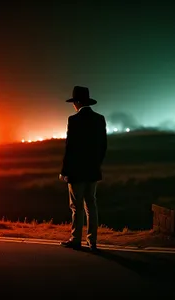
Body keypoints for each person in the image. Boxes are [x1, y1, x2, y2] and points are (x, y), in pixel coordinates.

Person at [59, 86, 107, 251]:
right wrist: (96, 164)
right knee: (91, 205)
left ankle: (75, 239)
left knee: (76, 207)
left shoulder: (74, 120)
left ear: (77, 102)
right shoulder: (99, 119)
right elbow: (103, 147)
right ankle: (92, 241)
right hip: (92, 171)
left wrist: (64, 172)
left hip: (76, 172)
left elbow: (70, 148)